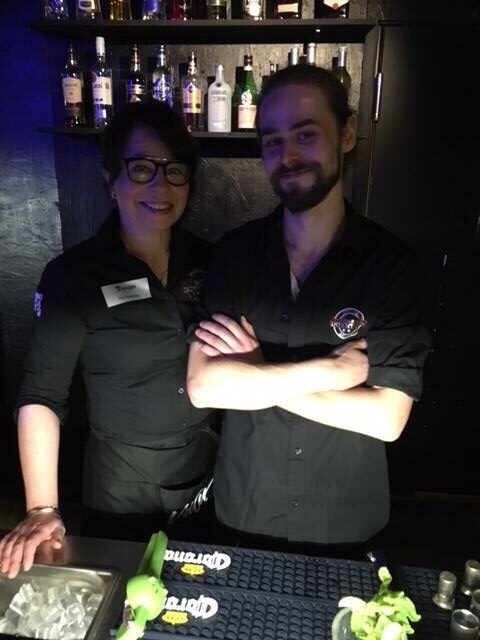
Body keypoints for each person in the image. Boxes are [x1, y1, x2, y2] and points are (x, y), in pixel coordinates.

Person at [187, 64, 431, 557]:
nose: (288, 155)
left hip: (346, 523)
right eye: (273, 141)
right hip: (244, 513)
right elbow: (204, 387)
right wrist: (331, 371)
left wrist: (257, 374)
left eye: (305, 134)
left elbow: (387, 418)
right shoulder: (235, 254)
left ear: (346, 135)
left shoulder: (393, 266)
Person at [0, 102, 218, 578]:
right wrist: (41, 509)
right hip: (120, 489)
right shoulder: (72, 277)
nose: (160, 186)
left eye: (174, 170)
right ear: (110, 177)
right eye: (141, 168)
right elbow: (41, 395)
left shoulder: (214, 261)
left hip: (207, 483)